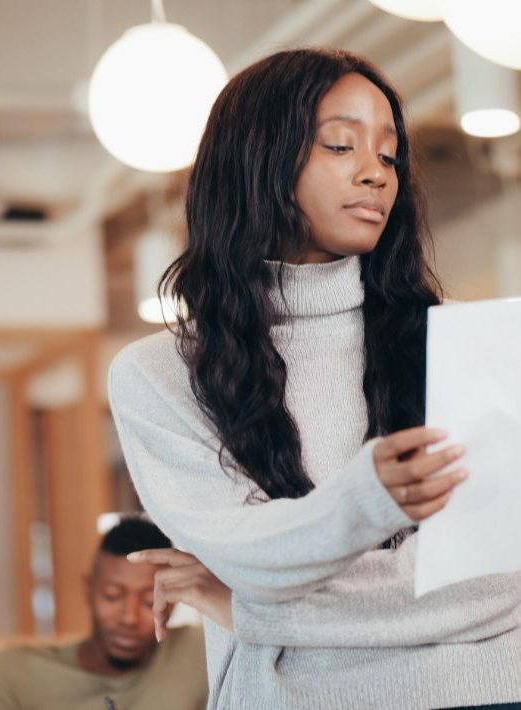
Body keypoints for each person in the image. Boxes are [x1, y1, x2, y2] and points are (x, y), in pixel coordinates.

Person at [108, 48, 521, 710]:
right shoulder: (160, 376)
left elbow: (500, 587)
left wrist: (248, 609)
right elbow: (252, 560)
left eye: (389, 156)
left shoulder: (467, 344)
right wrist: (366, 499)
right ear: (259, 158)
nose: (375, 175)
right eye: (339, 145)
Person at [0, 516, 207, 710]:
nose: (129, 618)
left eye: (149, 602)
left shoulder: (200, 652)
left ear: (173, 602)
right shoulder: (16, 675)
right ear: (88, 589)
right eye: (112, 596)